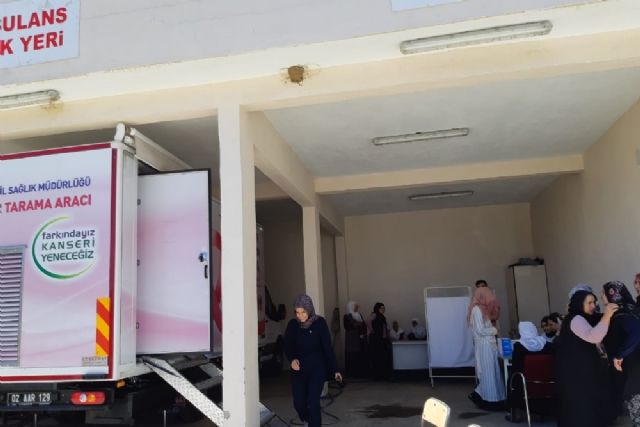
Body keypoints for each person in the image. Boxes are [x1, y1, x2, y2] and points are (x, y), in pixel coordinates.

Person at [555, 290, 618, 427]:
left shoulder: (577, 318)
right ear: (579, 303)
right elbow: (594, 336)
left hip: (578, 374)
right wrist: (607, 315)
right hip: (579, 376)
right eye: (589, 303)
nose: (593, 306)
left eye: (594, 302)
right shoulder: (576, 319)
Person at [284, 295, 342, 427]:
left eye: (303, 312)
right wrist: (292, 359)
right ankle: (309, 420)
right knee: (299, 403)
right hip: (299, 370)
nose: (300, 316)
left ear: (309, 310)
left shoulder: (320, 323)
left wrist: (335, 369)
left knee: (313, 402)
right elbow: (287, 346)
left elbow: (327, 348)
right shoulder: (293, 325)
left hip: (317, 369)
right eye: (297, 312)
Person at [602, 281, 640, 425]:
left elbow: (637, 333)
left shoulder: (622, 314)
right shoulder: (631, 310)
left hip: (634, 371)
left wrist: (620, 355)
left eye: (603, 294)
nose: (602, 297)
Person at [467, 286, 505, 410]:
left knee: (493, 373)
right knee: (489, 374)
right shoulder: (476, 310)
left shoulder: (483, 310)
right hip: (484, 346)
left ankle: (490, 398)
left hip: (489, 345)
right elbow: (480, 330)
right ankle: (489, 401)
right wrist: (494, 330)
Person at [507, 321, 554, 421]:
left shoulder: (519, 346)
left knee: (512, 376)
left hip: (527, 385)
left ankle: (515, 411)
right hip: (547, 382)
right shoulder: (546, 344)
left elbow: (516, 366)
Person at [343, 300, 368, 378]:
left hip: (360, 339)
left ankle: (360, 373)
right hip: (351, 340)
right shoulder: (347, 316)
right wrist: (359, 324)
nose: (357, 308)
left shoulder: (359, 315)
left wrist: (361, 328)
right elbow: (349, 326)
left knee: (360, 355)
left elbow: (363, 324)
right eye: (355, 306)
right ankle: (352, 373)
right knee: (352, 356)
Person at [369, 302, 392, 380]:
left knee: (383, 357)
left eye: (384, 308)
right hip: (376, 340)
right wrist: (372, 330)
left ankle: (383, 375)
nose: (383, 309)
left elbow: (385, 327)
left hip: (382, 340)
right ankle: (377, 375)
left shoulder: (382, 317)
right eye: (381, 308)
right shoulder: (374, 314)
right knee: (377, 357)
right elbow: (367, 321)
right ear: (377, 308)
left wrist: (387, 336)